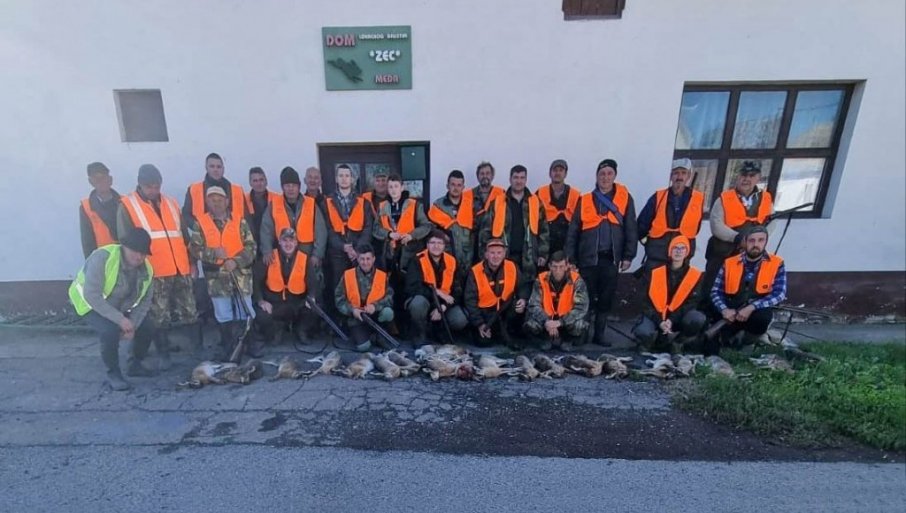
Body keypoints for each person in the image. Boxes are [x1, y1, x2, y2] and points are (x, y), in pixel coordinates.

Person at [117, 164, 198, 366]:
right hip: (154, 270)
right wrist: (135, 271)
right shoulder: (128, 205)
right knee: (159, 316)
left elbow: (183, 236)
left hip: (180, 267)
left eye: (157, 186)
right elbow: (126, 242)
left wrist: (192, 262)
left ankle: (198, 350)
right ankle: (164, 355)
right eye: (149, 187)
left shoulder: (171, 202)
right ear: (140, 184)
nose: (154, 190)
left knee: (190, 310)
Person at [68, 228, 155, 391]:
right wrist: (120, 320)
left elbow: (145, 301)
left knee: (149, 327)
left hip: (119, 306)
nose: (139, 257)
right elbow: (91, 295)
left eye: (143, 253)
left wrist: (132, 325)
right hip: (89, 304)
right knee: (109, 331)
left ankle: (135, 364)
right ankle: (113, 373)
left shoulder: (147, 270)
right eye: (135, 251)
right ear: (124, 247)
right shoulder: (102, 257)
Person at [565, 158, 638, 346]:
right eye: (602, 174)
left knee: (605, 299)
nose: (605, 177)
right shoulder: (584, 200)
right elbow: (573, 230)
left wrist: (628, 255)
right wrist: (571, 257)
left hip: (611, 258)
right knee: (585, 298)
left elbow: (631, 227)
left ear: (615, 176)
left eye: (609, 173)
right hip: (587, 259)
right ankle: (582, 334)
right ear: (596, 177)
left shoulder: (625, 198)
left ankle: (599, 335)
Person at [188, 186, 259, 359]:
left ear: (227, 201)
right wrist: (213, 254)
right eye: (212, 200)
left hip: (240, 275)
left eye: (220, 200)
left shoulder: (239, 221)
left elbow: (251, 247)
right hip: (216, 278)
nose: (217, 203)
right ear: (207, 202)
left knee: (246, 311)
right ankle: (229, 348)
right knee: (223, 314)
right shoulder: (201, 223)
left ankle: (249, 345)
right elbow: (194, 249)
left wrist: (236, 261)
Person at [709, 226, 786, 354]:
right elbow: (716, 291)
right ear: (745, 241)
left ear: (766, 242)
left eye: (760, 240)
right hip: (731, 311)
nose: (756, 244)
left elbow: (779, 294)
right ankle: (727, 339)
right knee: (714, 343)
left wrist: (751, 307)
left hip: (755, 311)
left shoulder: (776, 263)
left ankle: (747, 341)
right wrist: (724, 310)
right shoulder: (729, 263)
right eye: (751, 240)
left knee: (762, 318)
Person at [702, 160, 774, 296]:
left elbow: (772, 222)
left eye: (751, 175)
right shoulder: (724, 198)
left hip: (750, 254)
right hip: (723, 252)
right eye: (743, 175)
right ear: (737, 176)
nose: (746, 179)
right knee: (712, 287)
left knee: (742, 288)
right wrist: (738, 238)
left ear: (758, 178)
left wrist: (756, 240)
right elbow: (716, 224)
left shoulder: (766, 199)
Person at [259, 166, 327, 302]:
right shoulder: (274, 204)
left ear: (299, 186)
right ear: (282, 187)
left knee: (314, 285)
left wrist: (317, 254)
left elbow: (321, 232)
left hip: (307, 253)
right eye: (287, 185)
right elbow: (266, 230)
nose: (291, 189)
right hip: (284, 254)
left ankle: (314, 310)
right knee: (288, 284)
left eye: (294, 185)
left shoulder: (311, 204)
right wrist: (267, 250)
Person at [632, 236, 707, 353]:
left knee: (697, 318)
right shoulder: (655, 273)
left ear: (687, 252)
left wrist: (671, 320)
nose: (678, 251)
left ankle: (678, 342)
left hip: (678, 318)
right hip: (657, 317)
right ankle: (648, 343)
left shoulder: (695, 276)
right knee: (643, 331)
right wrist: (659, 321)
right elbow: (645, 303)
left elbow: (692, 303)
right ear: (670, 251)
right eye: (675, 248)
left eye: (682, 248)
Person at [479, 165, 549, 289]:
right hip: (503, 257)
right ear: (510, 179)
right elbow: (485, 230)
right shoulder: (498, 202)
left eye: (522, 178)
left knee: (526, 290)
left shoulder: (536, 202)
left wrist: (543, 253)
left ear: (526, 180)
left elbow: (544, 230)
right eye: (516, 177)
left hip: (528, 258)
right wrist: (485, 254)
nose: (519, 181)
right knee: (504, 289)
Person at [254, 228, 320, 345]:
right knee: (261, 315)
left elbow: (312, 282)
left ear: (296, 242)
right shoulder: (269, 257)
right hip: (275, 303)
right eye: (285, 240)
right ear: (279, 241)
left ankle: (301, 329)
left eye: (291, 240)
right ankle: (276, 329)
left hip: (296, 302)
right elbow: (256, 281)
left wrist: (311, 297)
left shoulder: (304, 258)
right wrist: (261, 301)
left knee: (315, 308)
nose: (288, 244)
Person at [637, 158, 704, 271]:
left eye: (683, 173)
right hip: (657, 256)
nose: (680, 177)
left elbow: (696, 228)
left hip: (682, 257)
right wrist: (648, 243)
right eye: (676, 173)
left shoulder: (698, 199)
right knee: (653, 282)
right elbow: (641, 226)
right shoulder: (658, 197)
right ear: (671, 176)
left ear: (689, 176)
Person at [323, 164, 373, 315]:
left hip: (358, 254)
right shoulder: (327, 202)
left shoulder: (363, 202)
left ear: (352, 179)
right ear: (336, 179)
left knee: (359, 287)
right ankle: (340, 319)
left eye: (347, 176)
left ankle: (359, 317)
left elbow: (368, 227)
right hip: (337, 253)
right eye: (341, 176)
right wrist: (343, 246)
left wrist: (357, 249)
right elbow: (328, 229)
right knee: (338, 287)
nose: (344, 179)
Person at [405, 230, 469, 342]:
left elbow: (458, 290)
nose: (436, 246)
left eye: (440, 243)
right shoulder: (417, 260)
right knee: (417, 304)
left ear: (444, 246)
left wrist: (443, 307)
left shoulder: (452, 261)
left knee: (460, 319)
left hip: (444, 305)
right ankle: (419, 334)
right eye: (433, 242)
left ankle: (440, 331)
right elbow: (412, 287)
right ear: (427, 245)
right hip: (426, 301)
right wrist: (437, 292)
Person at [463, 238, 526, 348]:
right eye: (492, 253)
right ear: (486, 255)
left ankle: (509, 332)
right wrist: (480, 324)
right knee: (483, 342)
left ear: (504, 254)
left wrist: (523, 299)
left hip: (506, 311)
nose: (495, 256)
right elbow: (470, 300)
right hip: (485, 314)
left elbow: (523, 287)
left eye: (499, 253)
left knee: (518, 308)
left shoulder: (512, 266)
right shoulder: (475, 271)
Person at [334, 244, 394, 352]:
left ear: (373, 259)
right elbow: (339, 299)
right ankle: (370, 337)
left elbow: (389, 298)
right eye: (362, 259)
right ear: (357, 259)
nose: (365, 262)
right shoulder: (347, 275)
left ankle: (379, 335)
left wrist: (375, 306)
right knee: (363, 347)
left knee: (388, 312)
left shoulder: (382, 276)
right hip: (356, 317)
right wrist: (352, 310)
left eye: (368, 259)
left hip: (375, 315)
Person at [525, 251, 589, 351]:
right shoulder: (541, 280)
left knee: (580, 325)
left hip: (566, 321)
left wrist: (560, 322)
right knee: (530, 324)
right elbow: (534, 305)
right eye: (554, 267)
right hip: (547, 322)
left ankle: (568, 341)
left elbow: (581, 307)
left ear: (567, 266)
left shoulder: (577, 281)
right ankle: (544, 340)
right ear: (549, 266)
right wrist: (546, 321)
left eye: (561, 266)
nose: (558, 270)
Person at [427, 170, 475, 276]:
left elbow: (477, 230)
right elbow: (430, 229)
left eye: (459, 185)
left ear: (463, 187)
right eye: (453, 184)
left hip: (468, 259)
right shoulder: (438, 206)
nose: (456, 188)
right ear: (447, 186)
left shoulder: (471, 205)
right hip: (445, 258)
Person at [183, 152, 246, 223]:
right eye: (212, 166)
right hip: (203, 230)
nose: (215, 170)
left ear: (223, 169)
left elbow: (247, 218)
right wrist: (196, 226)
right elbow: (186, 215)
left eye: (218, 167)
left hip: (233, 230)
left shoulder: (237, 191)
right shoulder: (193, 190)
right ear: (206, 168)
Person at [536, 159, 581, 256]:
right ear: (550, 173)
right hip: (545, 246)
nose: (557, 173)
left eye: (561, 170)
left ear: (565, 174)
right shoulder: (540, 193)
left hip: (568, 245)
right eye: (555, 170)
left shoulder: (576, 195)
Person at [464, 161, 505, 265]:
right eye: (482, 173)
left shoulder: (501, 194)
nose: (485, 176)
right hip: (472, 241)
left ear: (492, 175)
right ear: (477, 176)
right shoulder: (467, 195)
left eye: (487, 173)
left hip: (493, 241)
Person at [80, 162, 121, 258]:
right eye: (97, 179)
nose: (101, 182)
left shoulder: (124, 203)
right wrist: (92, 264)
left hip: (127, 259)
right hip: (104, 260)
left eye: (103, 177)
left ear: (110, 179)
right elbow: (87, 243)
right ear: (91, 182)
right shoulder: (86, 207)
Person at [245, 166, 279, 251]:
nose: (259, 183)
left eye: (261, 180)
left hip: (275, 245)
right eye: (255, 181)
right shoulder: (244, 201)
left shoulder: (277, 199)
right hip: (252, 246)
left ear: (266, 181)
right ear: (250, 183)